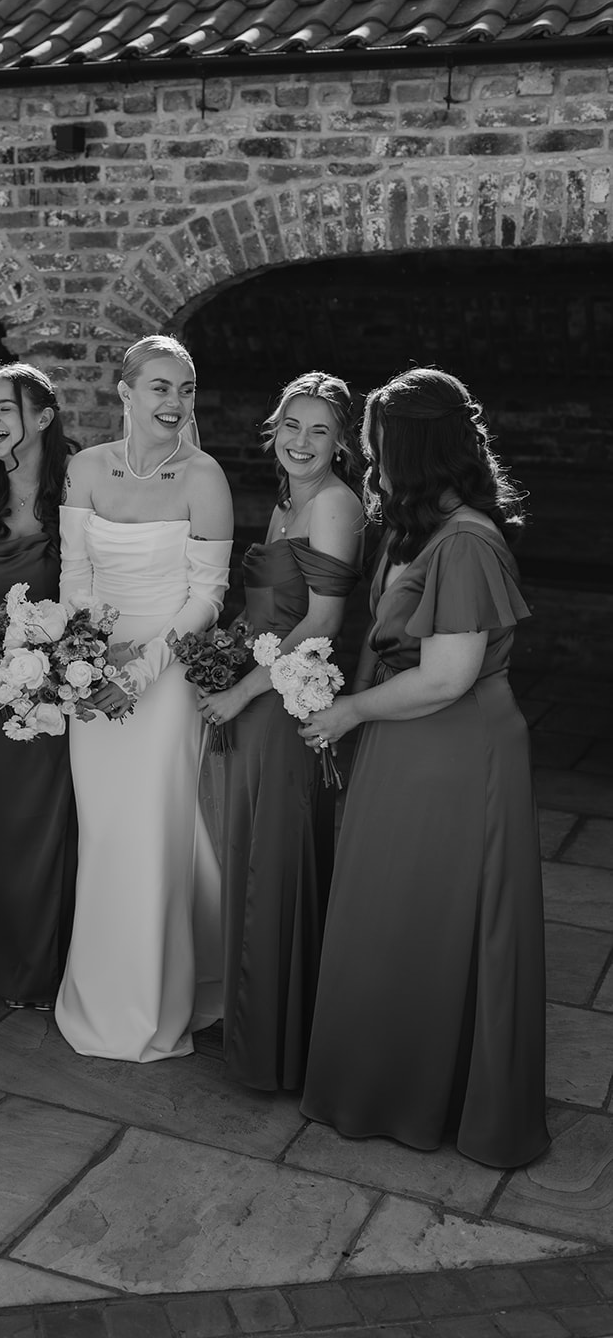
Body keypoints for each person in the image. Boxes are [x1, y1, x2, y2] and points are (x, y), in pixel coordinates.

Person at [299, 366, 548, 1169]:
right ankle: (381, 1084)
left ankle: (425, 1098)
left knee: (434, 923)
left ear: (410, 449)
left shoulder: (467, 541)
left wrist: (348, 712)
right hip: (408, 744)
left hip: (455, 749)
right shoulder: (422, 529)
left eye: (374, 451)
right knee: (390, 917)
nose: (368, 466)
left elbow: (447, 677)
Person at [54, 334, 233, 1062]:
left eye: (185, 389)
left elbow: (208, 595)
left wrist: (147, 665)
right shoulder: (86, 468)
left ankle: (164, 999)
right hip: (93, 677)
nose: (174, 402)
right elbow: (74, 575)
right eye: (160, 387)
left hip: (164, 679)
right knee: (103, 836)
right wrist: (86, 657)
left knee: (157, 836)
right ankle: (98, 996)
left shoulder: (204, 475)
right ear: (124, 394)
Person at [196, 372, 363, 1091]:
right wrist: (219, 652)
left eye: (319, 430)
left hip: (286, 703)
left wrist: (237, 691)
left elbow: (320, 622)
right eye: (291, 425)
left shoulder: (333, 506)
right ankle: (250, 1018)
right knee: (248, 853)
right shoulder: (287, 500)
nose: (301, 441)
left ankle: (278, 1042)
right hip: (258, 689)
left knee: (277, 861)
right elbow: (264, 609)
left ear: (342, 442)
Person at [0, 363, 78, 1008]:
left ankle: (49, 967)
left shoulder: (79, 485)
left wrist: (55, 658)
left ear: (44, 418)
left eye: (6, 409)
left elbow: (93, 585)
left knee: (52, 826)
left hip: (61, 687)